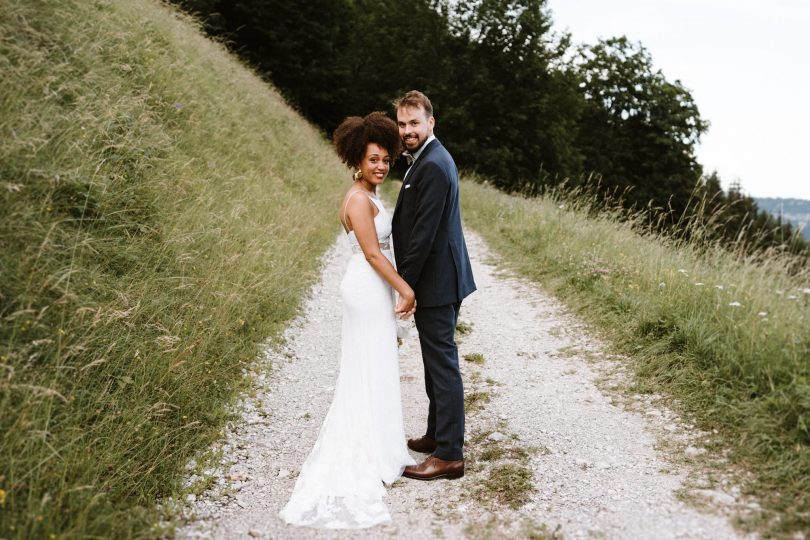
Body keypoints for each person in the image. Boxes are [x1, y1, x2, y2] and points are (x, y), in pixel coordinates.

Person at [279, 112, 416, 529]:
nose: (380, 166)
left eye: (386, 160)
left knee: (376, 363)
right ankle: (366, 450)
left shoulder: (370, 195)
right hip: (365, 286)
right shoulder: (358, 199)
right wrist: (406, 289)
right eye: (373, 159)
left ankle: (380, 444)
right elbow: (373, 254)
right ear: (357, 160)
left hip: (373, 285)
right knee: (367, 363)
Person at [391, 90, 476, 481]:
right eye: (402, 123)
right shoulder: (426, 159)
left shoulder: (435, 165)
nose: (407, 130)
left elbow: (423, 235)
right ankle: (437, 433)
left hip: (438, 281)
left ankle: (449, 455)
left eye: (414, 123)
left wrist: (404, 286)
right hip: (439, 278)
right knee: (433, 362)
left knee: (442, 365)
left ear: (431, 122)